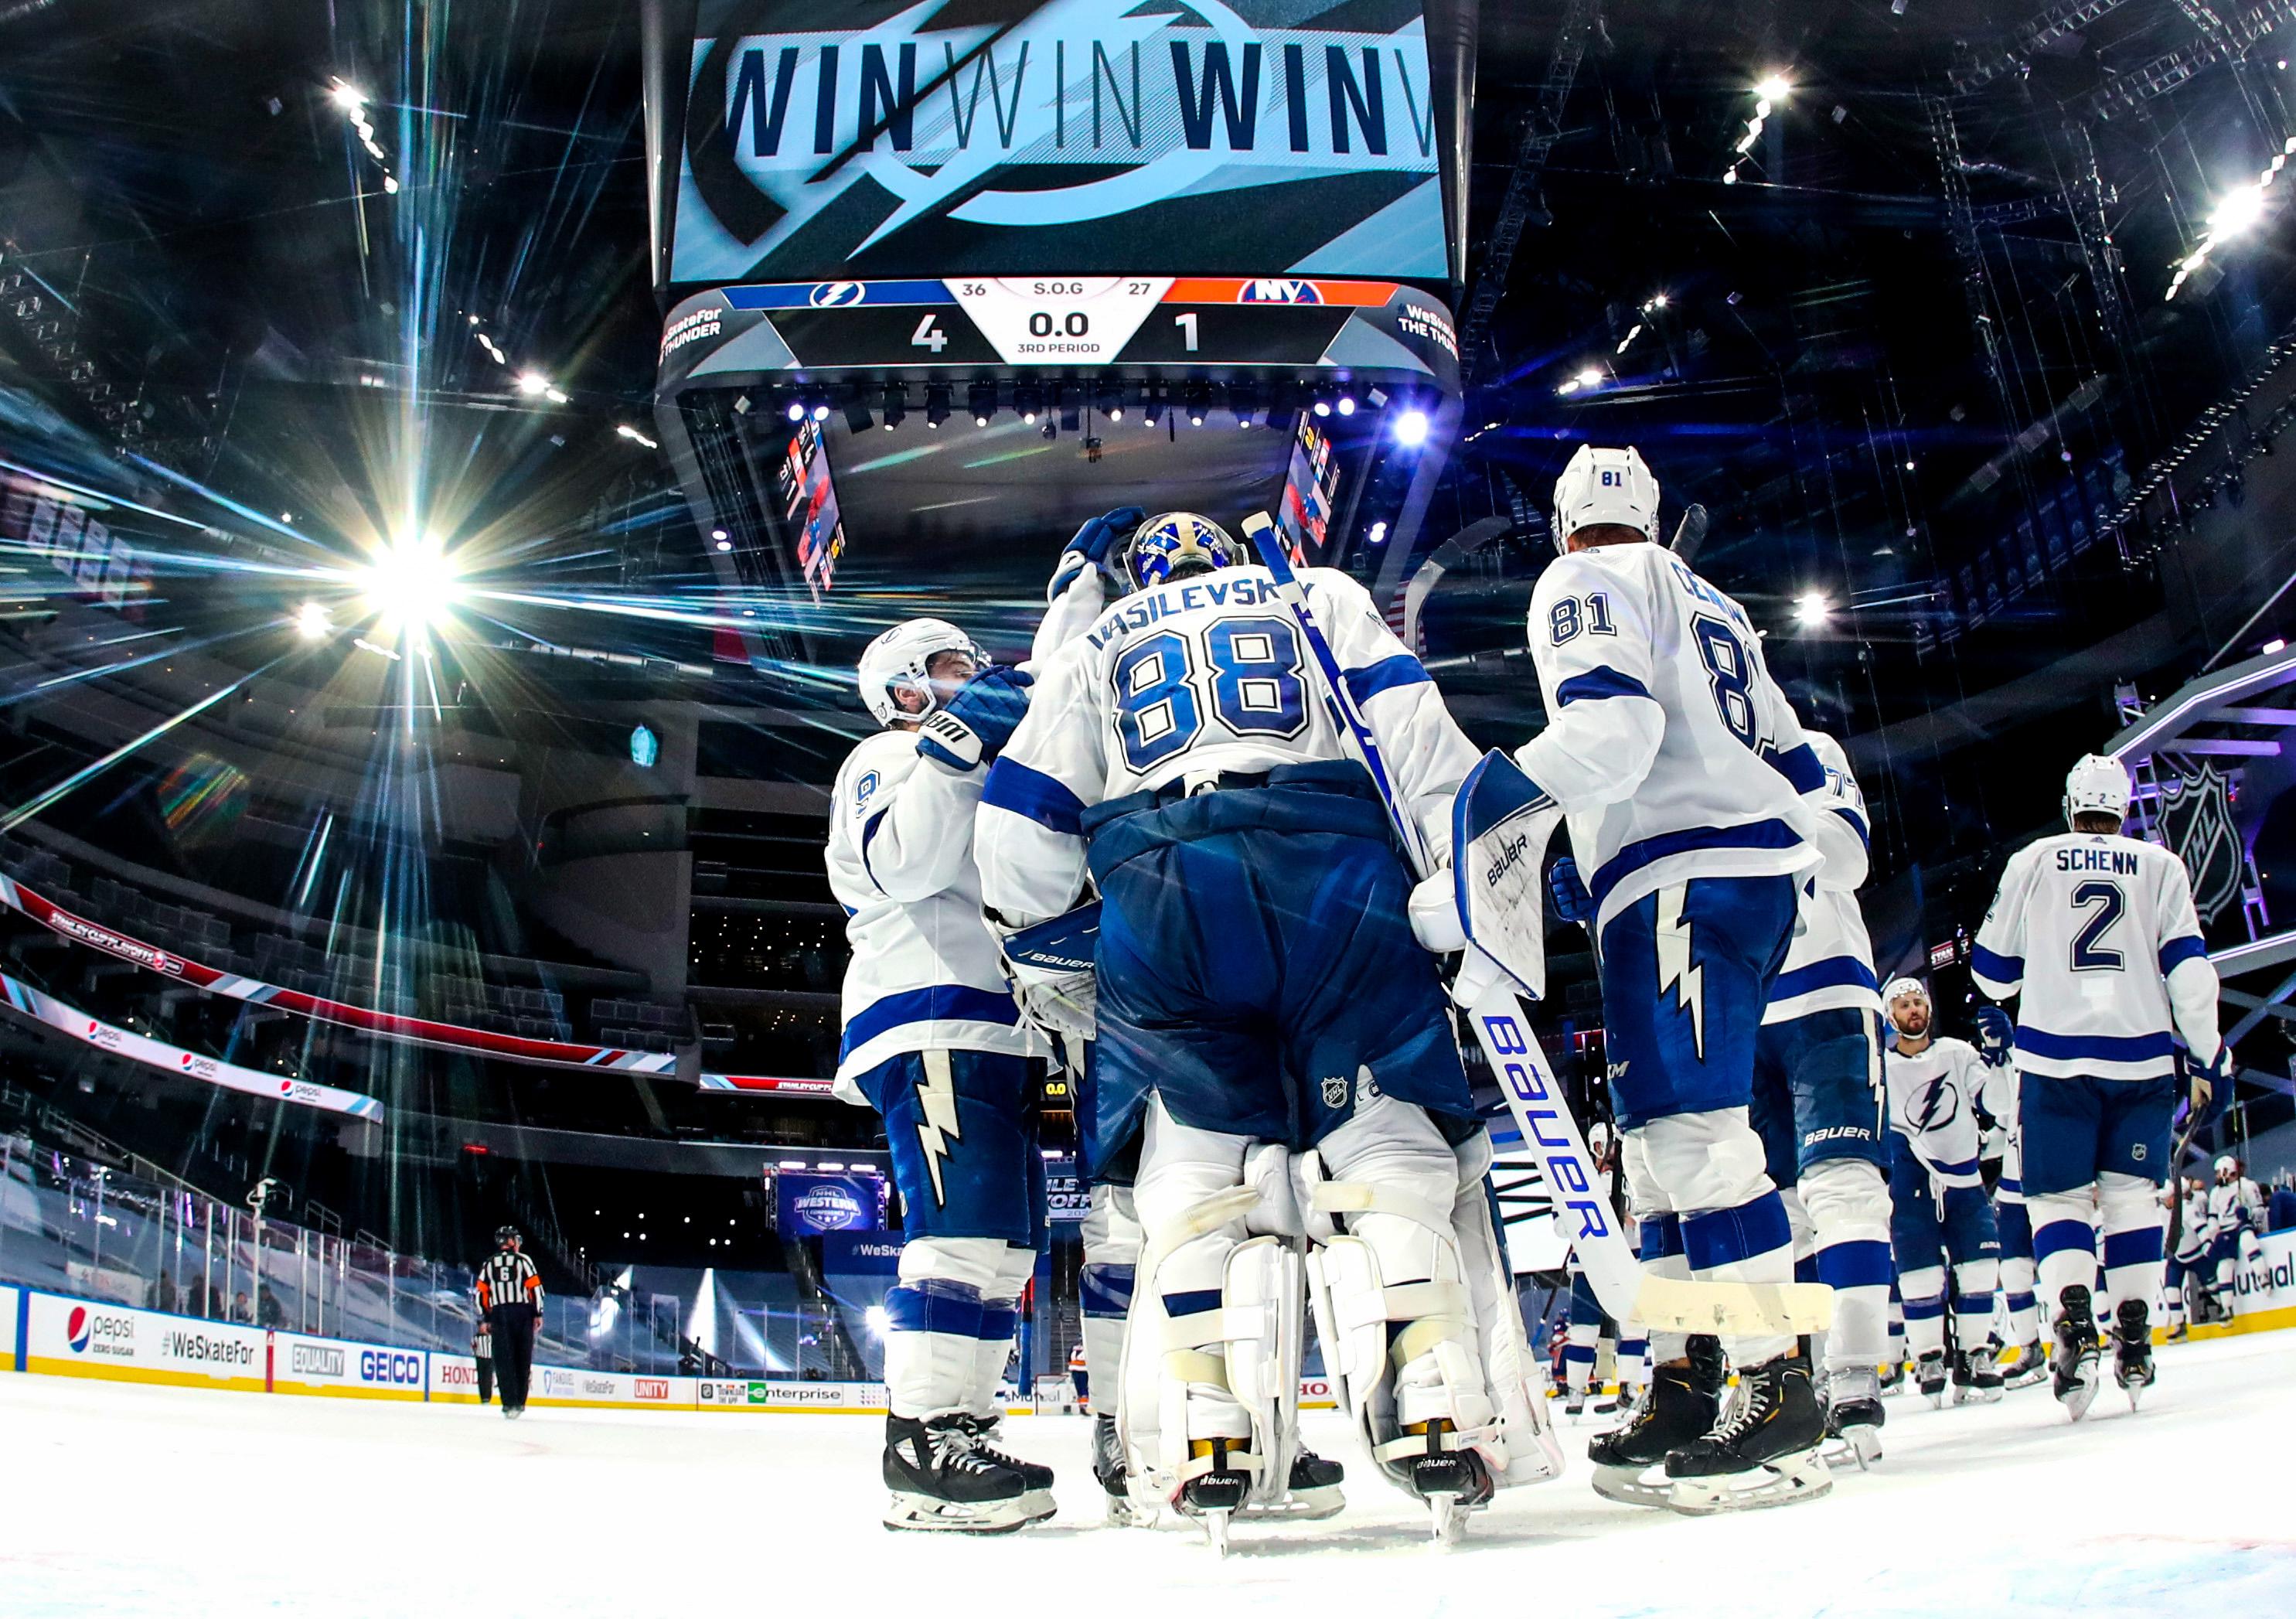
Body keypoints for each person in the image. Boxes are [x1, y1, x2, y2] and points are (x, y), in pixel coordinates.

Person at [976, 510, 1557, 1548]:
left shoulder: (1093, 645)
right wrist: (1459, 885)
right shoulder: (1314, 593)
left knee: (1194, 1170)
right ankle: (1431, 1384)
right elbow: (1415, 738)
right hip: (1331, 866)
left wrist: (1045, 935)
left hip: (1159, 886)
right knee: (1385, 1135)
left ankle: (1207, 1419)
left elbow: (1018, 828)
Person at [1497, 445, 1858, 1513]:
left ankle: (1777, 1381)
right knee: (1656, 1165)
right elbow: (1802, 762)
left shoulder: (1581, 578)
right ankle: (1683, 1376)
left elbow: (1611, 729)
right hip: (1727, 881)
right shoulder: (1711, 601)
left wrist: (1502, 802)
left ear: (1563, 521)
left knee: (1696, 1142)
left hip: (1679, 880)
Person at [826, 615, 1052, 1533]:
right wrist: (958, 748)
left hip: (1000, 1026)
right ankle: (919, 1441)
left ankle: (962, 1424)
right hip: (928, 1009)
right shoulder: (886, 755)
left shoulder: (969, 768)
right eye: (952, 670)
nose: (973, 680)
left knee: (1004, 1253)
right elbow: (904, 863)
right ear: (904, 688)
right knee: (958, 1236)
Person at [1971, 753, 2228, 1417]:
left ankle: (2073, 1322)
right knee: (2131, 1201)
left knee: (2055, 1202)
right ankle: (2136, 1330)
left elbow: (1992, 974)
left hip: (2054, 1062)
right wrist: (2208, 1057)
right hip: (2141, 1061)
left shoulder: (2035, 859)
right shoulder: (2161, 867)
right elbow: (2192, 978)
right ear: (2125, 804)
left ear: (2069, 804)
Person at [1745, 730, 1892, 1464]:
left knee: (1842, 1189)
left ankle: (1856, 1379)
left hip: (1826, 987)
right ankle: (1802, 1385)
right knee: (1784, 1213)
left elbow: (1848, 855)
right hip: (1739, 1006)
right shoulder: (1680, 743)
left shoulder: (1803, 745)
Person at [1880, 979, 2002, 1407]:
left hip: (1963, 1175)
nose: (1913, 1010)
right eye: (1903, 1005)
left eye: (1918, 1002)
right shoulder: (1881, 1068)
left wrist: (2001, 1061)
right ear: (1889, 1016)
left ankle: (1975, 1354)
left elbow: (1996, 1103)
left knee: (1981, 1267)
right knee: (1919, 1275)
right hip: (1908, 1179)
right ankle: (1929, 1356)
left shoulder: (1958, 1053)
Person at [1969, 1007, 2046, 1384]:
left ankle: (2096, 1334)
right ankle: (2030, 1347)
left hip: (2055, 1176)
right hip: (2015, 1182)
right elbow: (2001, 1115)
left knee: (2069, 1260)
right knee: (2014, 1268)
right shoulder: (2010, 1061)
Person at [475, 1225, 543, 1418]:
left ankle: (509, 1404)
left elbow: (481, 1294)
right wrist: (538, 1313)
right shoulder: (524, 1260)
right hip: (523, 1313)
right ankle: (519, 1402)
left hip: (499, 1314)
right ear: (512, 1241)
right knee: (523, 1358)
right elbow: (535, 1288)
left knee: (504, 1360)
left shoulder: (489, 1263)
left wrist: (485, 1318)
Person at [2206, 1154, 2267, 1313]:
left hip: (2242, 1224)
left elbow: (2260, 1209)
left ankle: (2262, 1275)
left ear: (2226, 1172)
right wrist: (2214, 1233)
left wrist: (2247, 1213)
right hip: (2225, 1230)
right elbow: (2212, 1216)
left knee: (2248, 1241)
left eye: (2218, 1173)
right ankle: (2227, 1308)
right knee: (2223, 1267)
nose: (2217, 1176)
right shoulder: (2215, 1193)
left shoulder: (2247, 1185)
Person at [2162, 1175, 2210, 1338]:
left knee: (2212, 1285)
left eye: (2167, 1198)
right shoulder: (2162, 1212)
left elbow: (2201, 1227)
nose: (2164, 1201)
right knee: (2171, 1289)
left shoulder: (2187, 1208)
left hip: (2197, 1253)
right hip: (2177, 1257)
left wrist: (2208, 1245)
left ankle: (2224, 1307)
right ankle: (2179, 1324)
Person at [473, 1321, 495, 1406]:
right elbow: (474, 1347)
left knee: (488, 1378)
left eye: (483, 1326)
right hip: (480, 1359)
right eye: (480, 1326)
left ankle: (487, 1398)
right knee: (481, 1378)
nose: (481, 1328)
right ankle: (483, 1397)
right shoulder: (476, 1337)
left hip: (489, 1359)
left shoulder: (492, 1337)